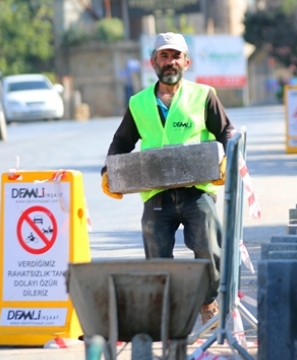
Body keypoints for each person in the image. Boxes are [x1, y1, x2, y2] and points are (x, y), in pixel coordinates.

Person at [100, 32, 235, 325]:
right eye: (164, 56)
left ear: (186, 62)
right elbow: (121, 143)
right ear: (153, 62)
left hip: (196, 190)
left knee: (208, 249)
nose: (170, 62)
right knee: (157, 258)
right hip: (156, 194)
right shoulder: (139, 103)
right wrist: (108, 171)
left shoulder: (204, 95)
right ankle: (170, 314)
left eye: (176, 56)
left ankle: (207, 302)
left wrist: (227, 157)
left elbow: (227, 131)